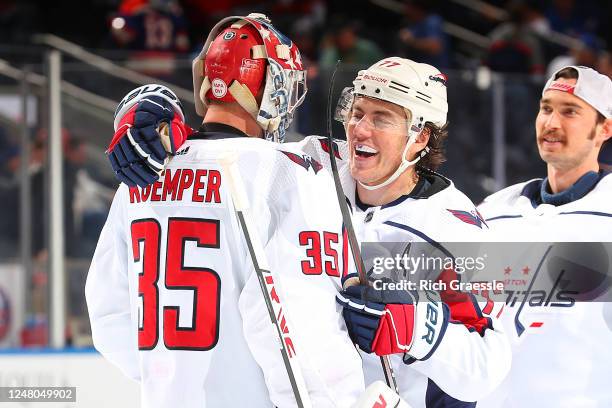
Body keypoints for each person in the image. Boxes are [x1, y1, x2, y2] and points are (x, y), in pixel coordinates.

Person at [107, 56, 512, 407]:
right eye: (357, 113)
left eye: (382, 118)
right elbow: (225, 150)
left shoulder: (460, 229)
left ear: (421, 135)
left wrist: (417, 327)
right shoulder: (314, 167)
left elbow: (488, 366)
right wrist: (146, 111)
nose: (360, 130)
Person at [87, 13, 366, 408]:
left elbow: (108, 316)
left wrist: (177, 376)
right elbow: (291, 327)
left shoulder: (139, 175)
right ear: (269, 86)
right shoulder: (283, 173)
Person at [477, 65, 612, 406]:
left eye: (570, 111)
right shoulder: (492, 212)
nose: (551, 123)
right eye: (546, 108)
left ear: (605, 128)